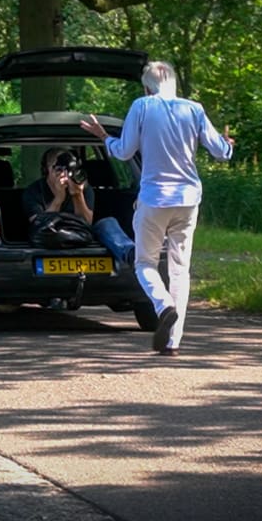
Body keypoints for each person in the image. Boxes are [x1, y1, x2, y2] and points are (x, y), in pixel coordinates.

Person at [80, 61, 234, 357]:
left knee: (145, 264)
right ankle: (173, 342)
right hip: (188, 199)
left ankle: (163, 306)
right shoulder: (195, 109)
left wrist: (103, 137)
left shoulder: (142, 106)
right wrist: (228, 145)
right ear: (174, 83)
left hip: (153, 199)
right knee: (180, 269)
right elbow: (220, 151)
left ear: (147, 87)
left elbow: (124, 151)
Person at [22, 147, 136, 267]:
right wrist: (58, 199)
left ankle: (131, 254)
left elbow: (87, 222)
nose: (64, 174)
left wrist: (77, 195)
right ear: (46, 170)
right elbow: (38, 226)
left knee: (107, 222)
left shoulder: (83, 187)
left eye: (68, 169)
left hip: (80, 233)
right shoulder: (33, 191)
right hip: (49, 234)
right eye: (58, 169)